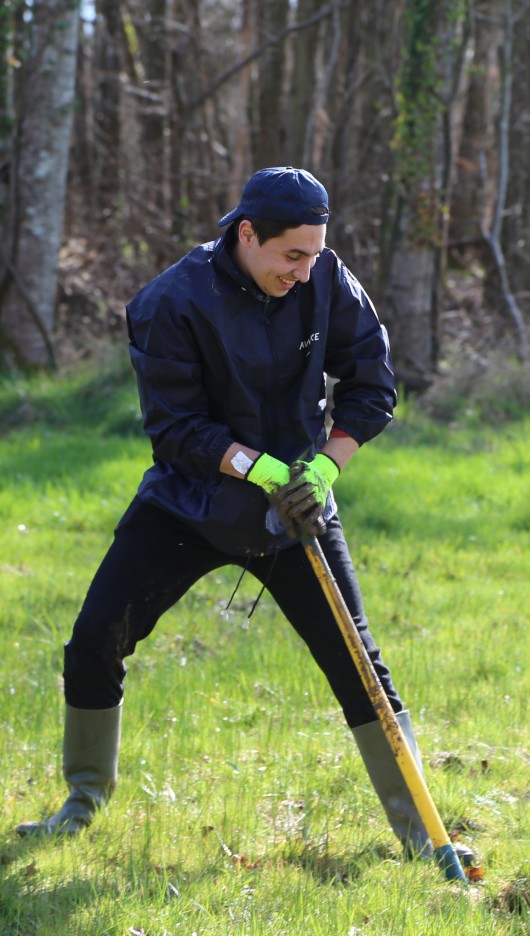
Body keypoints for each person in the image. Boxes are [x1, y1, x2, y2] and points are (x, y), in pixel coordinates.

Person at [17, 167, 433, 858]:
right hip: (190, 503)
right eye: (291, 255)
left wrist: (323, 467)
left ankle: (422, 833)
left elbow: (372, 384)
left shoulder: (325, 279)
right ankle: (82, 801)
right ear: (247, 233)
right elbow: (175, 428)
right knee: (95, 639)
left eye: (315, 254)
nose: (304, 271)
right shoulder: (172, 301)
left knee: (360, 666)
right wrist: (260, 467)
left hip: (296, 512)